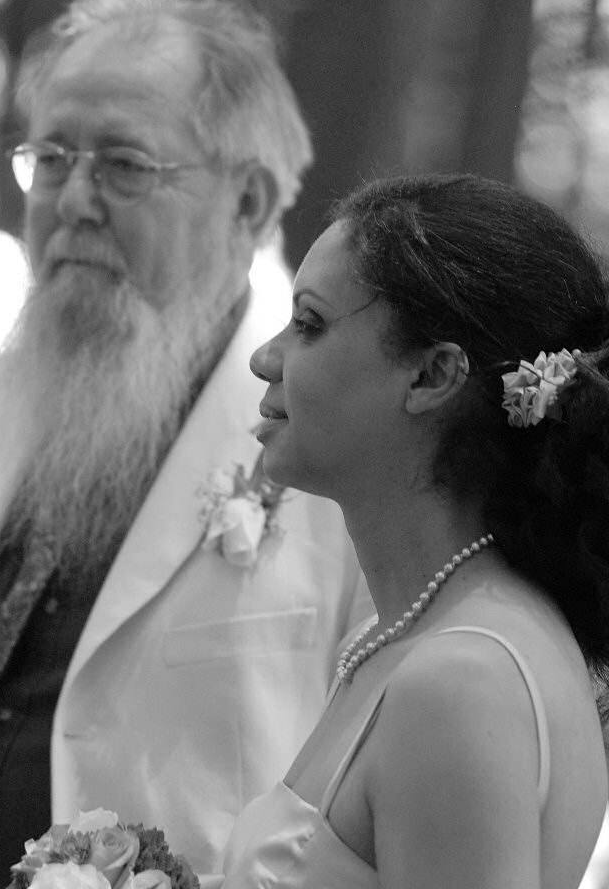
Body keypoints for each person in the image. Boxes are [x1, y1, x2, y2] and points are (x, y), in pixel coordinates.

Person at [0, 0, 372, 888]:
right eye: (52, 158)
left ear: (249, 204)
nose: (73, 200)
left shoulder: (347, 466)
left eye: (123, 165)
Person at [217, 172, 609, 888]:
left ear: (432, 375)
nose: (264, 358)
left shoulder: (461, 680)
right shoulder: (408, 635)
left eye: (309, 324)